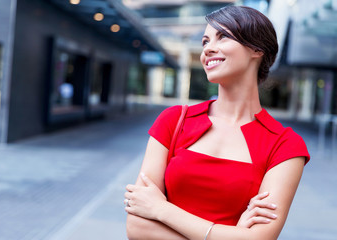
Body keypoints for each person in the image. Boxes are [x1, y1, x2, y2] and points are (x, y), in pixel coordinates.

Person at [124, 5, 310, 240]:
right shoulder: (174, 120)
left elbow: (259, 238)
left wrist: (161, 210)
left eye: (223, 37)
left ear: (257, 49)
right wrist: (232, 235)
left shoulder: (285, 145)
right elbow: (137, 226)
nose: (208, 49)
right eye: (205, 41)